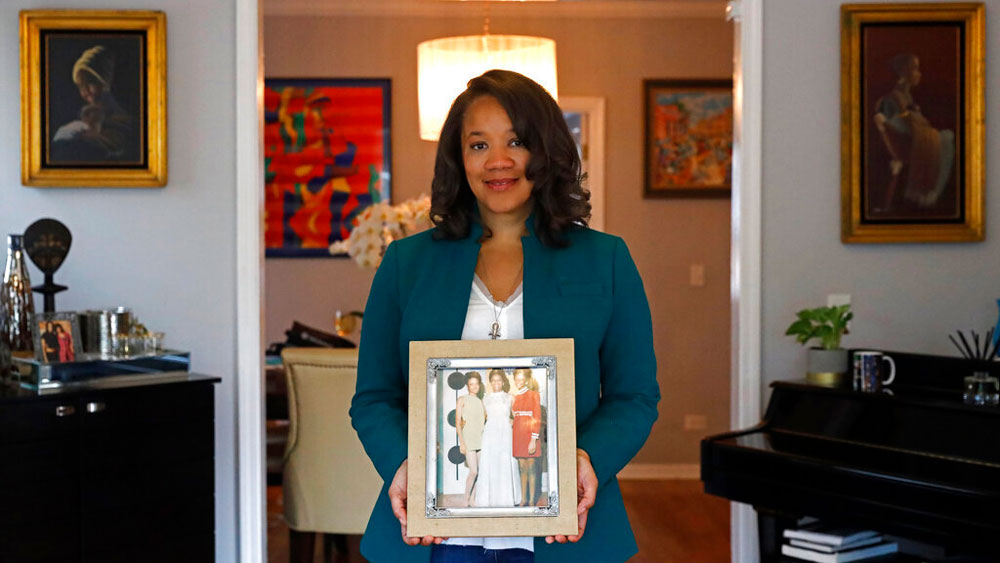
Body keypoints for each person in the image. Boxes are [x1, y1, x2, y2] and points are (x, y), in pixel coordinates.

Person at [350, 69, 660, 563]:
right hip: (434, 540)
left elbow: (634, 396)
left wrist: (587, 459)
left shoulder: (606, 260)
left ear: (545, 150)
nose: (498, 161)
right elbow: (373, 398)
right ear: (459, 158)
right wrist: (403, 465)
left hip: (564, 538)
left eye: (516, 141)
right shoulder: (406, 264)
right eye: (478, 145)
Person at [872, 53, 955, 212]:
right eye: (915, 68)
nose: (919, 73)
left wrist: (920, 125)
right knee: (946, 137)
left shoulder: (906, 97)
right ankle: (929, 196)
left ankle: (929, 195)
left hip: (913, 141)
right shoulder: (893, 99)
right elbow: (896, 126)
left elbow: (914, 123)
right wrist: (922, 127)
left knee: (945, 136)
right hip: (905, 145)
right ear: (904, 72)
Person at [50, 45, 136, 163]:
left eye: (90, 82)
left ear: (104, 82)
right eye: (80, 86)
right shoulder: (85, 113)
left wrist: (85, 138)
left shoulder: (121, 119)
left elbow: (117, 148)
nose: (85, 90)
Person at [474, 369, 521, 509]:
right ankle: (487, 499)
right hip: (490, 433)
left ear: (503, 382)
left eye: (499, 380)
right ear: (490, 382)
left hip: (506, 432)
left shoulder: (510, 397)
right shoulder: (485, 399)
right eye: (493, 380)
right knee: (490, 462)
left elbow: (517, 416)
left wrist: (514, 421)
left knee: (506, 461)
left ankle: (508, 498)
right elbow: (481, 418)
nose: (496, 383)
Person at [511, 368, 541, 507]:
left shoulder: (533, 395)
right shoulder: (515, 397)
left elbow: (537, 417)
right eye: (517, 379)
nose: (519, 382)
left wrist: (533, 439)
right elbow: (515, 417)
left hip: (530, 434)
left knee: (531, 468)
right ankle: (523, 499)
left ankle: (531, 500)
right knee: (522, 468)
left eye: (521, 379)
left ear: (527, 380)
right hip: (518, 434)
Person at [456, 371, 485, 506]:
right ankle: (465, 499)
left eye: (476, 384)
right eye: (471, 384)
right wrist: (461, 442)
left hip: (481, 439)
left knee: (480, 472)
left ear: (479, 386)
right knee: (473, 471)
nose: (474, 386)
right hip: (468, 439)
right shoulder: (462, 399)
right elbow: (458, 422)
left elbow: (486, 419)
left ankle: (473, 500)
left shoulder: (481, 401)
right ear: (467, 386)